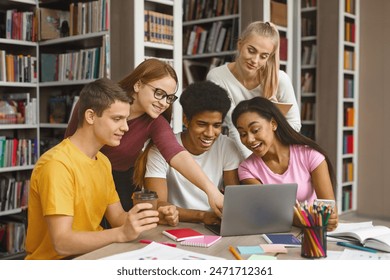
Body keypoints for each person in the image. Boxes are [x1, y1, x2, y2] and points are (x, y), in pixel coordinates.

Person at [25, 78, 178, 260]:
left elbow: (118, 217)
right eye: (117, 119)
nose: (126, 127)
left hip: (93, 257)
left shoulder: (103, 161)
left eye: (126, 119)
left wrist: (149, 216)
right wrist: (120, 234)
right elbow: (62, 243)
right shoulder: (57, 165)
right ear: (90, 116)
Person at [65, 59, 223, 217]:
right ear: (138, 85)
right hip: (81, 175)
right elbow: (71, 143)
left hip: (120, 182)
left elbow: (176, 153)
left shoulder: (155, 122)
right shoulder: (97, 103)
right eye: (159, 93)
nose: (164, 103)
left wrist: (211, 191)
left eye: (169, 98)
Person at [135, 81, 243, 225]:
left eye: (216, 125)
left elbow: (234, 200)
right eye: (202, 124)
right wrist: (202, 216)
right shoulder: (160, 149)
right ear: (186, 120)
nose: (210, 133)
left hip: (215, 224)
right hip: (175, 226)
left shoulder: (227, 146)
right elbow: (157, 204)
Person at [231, 96, 338, 231]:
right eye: (243, 134)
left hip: (314, 233)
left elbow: (328, 208)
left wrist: (330, 219)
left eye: (255, 130)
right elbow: (271, 211)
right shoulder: (247, 169)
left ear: (273, 124)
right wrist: (308, 219)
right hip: (278, 232)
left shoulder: (311, 155)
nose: (250, 139)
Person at [207, 21, 301, 159]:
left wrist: (267, 152)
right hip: (237, 152)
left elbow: (294, 125)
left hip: (272, 153)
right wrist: (254, 164)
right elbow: (234, 127)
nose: (255, 60)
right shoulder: (217, 77)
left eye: (263, 56)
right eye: (251, 51)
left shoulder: (281, 79)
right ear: (240, 45)